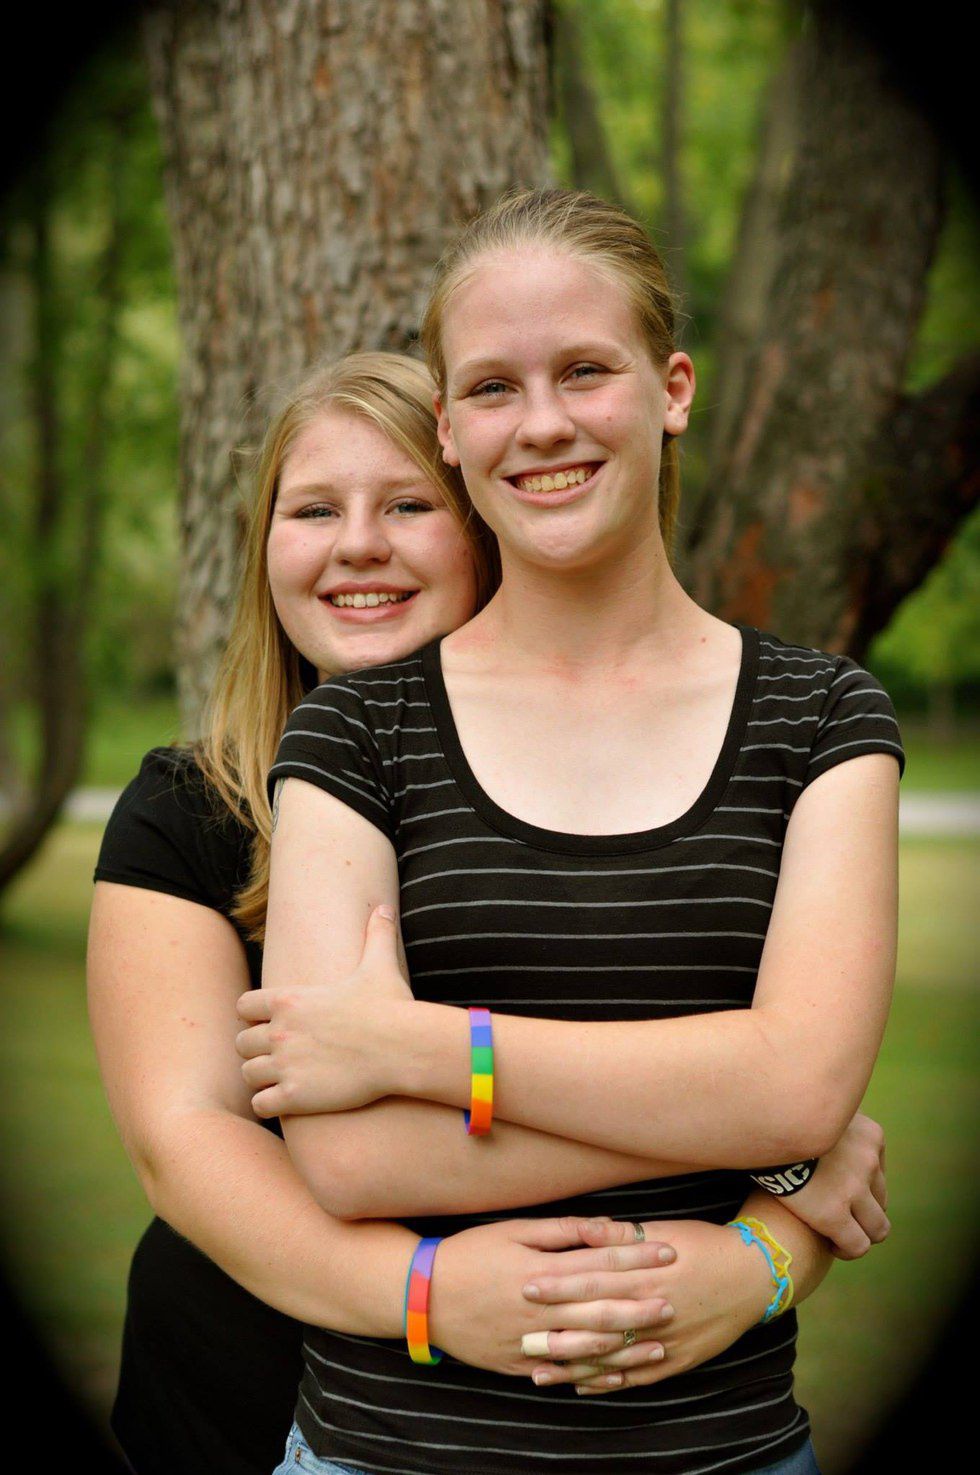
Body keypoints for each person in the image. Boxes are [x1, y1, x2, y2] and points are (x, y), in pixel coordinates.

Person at [89, 351, 882, 1475]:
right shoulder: (186, 807)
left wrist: (775, 1182)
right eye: (313, 510)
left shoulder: (619, 799)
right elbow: (184, 1145)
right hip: (254, 1383)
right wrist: (427, 1292)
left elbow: (781, 1072)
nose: (358, 544)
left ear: (484, 530)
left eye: (408, 505)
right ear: (263, 547)